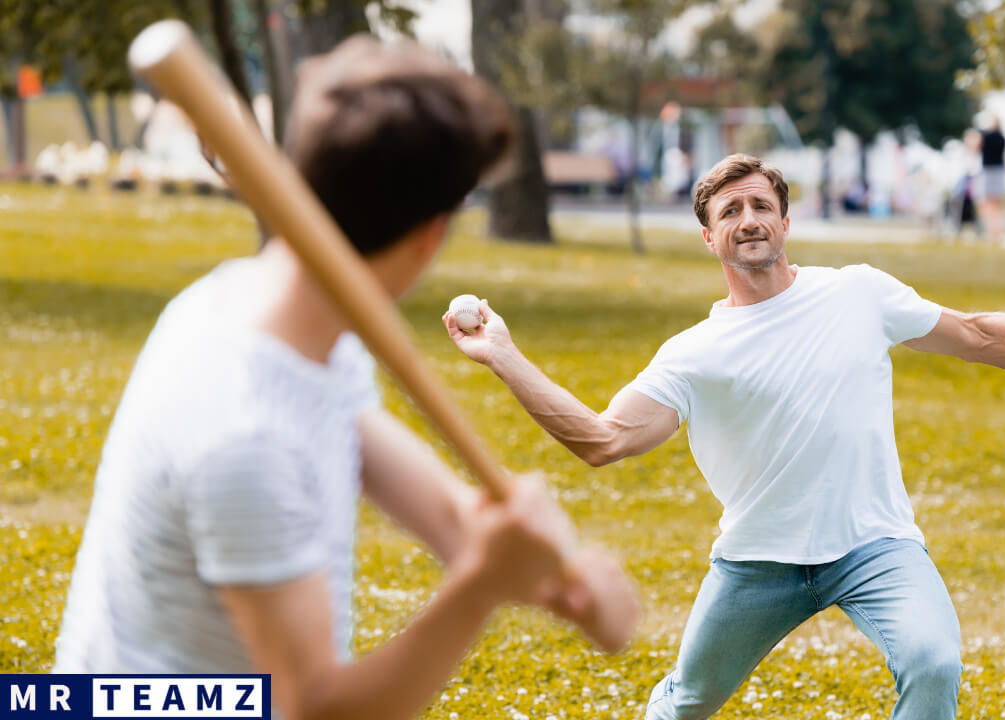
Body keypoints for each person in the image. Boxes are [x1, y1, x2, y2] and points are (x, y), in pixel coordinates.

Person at [53, 36, 636, 720]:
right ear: (432, 235)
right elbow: (315, 708)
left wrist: (555, 579)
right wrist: (479, 588)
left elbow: (449, 513)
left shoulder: (287, 319)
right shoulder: (243, 432)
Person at [444, 153, 1005, 720]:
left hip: (874, 546)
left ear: (785, 221)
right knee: (685, 704)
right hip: (758, 562)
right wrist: (503, 354)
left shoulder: (858, 292)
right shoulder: (695, 352)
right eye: (730, 212)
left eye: (760, 206)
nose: (748, 221)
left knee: (934, 663)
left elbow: (980, 334)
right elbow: (602, 439)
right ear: (709, 238)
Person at [979, 115, 1005, 242]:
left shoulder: (985, 136)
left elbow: (975, 147)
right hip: (1000, 171)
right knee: (997, 204)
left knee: (987, 203)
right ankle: (997, 231)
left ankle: (992, 231)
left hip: (988, 171)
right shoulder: (1002, 138)